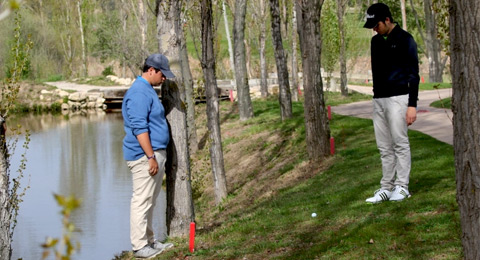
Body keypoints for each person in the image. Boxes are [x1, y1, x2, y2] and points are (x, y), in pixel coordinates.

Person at [363, 3, 420, 203]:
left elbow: (414, 75)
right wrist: (376, 96)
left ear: (387, 19)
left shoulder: (406, 40)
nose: (374, 28)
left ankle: (402, 186)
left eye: (376, 24)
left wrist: (412, 105)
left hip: (399, 98)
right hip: (379, 99)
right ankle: (386, 187)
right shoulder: (376, 42)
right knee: (384, 146)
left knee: (400, 143)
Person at [122, 53, 175, 258]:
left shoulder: (147, 90)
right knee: (141, 201)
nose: (164, 79)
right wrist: (151, 156)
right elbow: (139, 128)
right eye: (162, 74)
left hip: (152, 154)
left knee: (150, 201)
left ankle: (150, 241)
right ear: (151, 70)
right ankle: (139, 246)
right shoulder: (139, 93)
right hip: (144, 156)